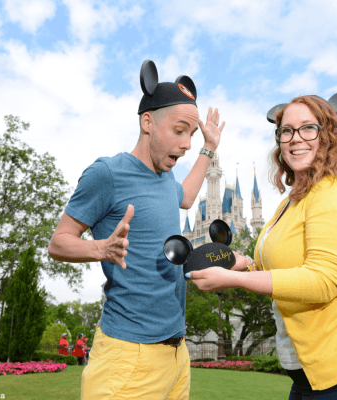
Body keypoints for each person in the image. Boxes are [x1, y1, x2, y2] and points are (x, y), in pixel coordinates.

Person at [187, 94, 337, 399]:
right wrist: (246, 266)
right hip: (313, 376)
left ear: (328, 134)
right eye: (286, 131)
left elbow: (322, 281)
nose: (296, 138)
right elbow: (288, 270)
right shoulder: (293, 201)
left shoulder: (336, 190)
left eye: (308, 128)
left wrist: (235, 279)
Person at [47, 59, 224, 400]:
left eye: (192, 134)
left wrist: (209, 148)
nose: (187, 143)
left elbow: (186, 198)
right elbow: (59, 243)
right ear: (147, 122)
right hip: (128, 356)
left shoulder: (165, 176)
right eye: (179, 130)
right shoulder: (107, 174)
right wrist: (101, 249)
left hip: (176, 352)